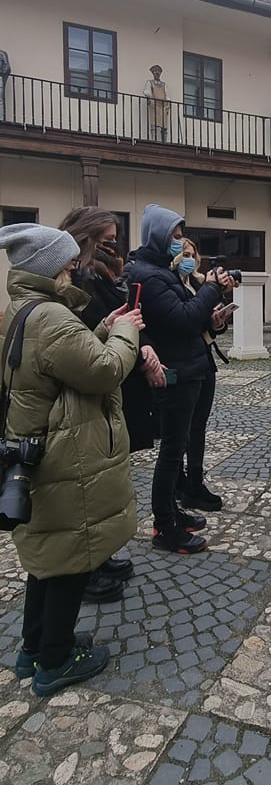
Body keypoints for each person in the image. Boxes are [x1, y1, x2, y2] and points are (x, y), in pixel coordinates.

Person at [0, 222, 142, 696]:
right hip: (66, 455)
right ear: (47, 267)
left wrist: (101, 327)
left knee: (46, 555)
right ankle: (56, 661)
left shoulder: (21, 309)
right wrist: (124, 334)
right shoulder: (52, 318)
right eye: (65, 263)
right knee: (71, 558)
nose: (72, 268)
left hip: (33, 448)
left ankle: (32, 648)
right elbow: (102, 371)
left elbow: (61, 360)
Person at [59, 207, 166, 603]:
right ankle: (86, 568)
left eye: (115, 237)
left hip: (114, 378)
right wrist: (137, 350)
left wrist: (141, 343)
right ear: (86, 240)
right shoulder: (81, 280)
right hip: (95, 384)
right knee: (89, 484)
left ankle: (99, 555)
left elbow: (118, 321)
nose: (114, 245)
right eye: (106, 238)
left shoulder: (105, 273)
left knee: (106, 476)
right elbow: (93, 334)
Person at [126, 205, 225, 553]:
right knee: (171, 451)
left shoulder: (161, 272)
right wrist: (211, 289)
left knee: (178, 445)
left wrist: (212, 316)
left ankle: (172, 509)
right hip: (177, 374)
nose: (181, 243)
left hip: (190, 367)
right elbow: (183, 319)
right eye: (176, 236)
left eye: (182, 236)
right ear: (159, 236)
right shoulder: (150, 275)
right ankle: (164, 526)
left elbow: (191, 319)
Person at [172, 238, 237, 511]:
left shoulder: (198, 283)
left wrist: (217, 322)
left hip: (204, 360)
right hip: (182, 366)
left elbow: (205, 324)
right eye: (183, 254)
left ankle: (194, 481)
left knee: (198, 427)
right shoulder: (170, 285)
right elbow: (184, 323)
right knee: (177, 431)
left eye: (192, 254)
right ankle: (178, 482)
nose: (188, 258)